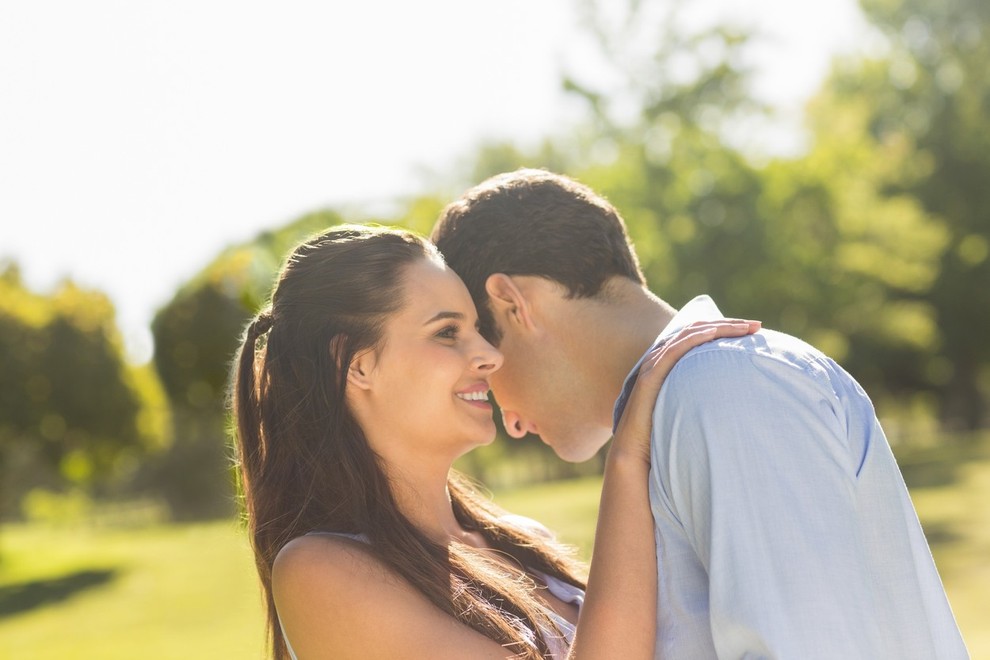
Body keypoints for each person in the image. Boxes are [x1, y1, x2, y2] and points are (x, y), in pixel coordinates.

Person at [431, 169, 970, 659]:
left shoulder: (721, 389)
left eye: (484, 349)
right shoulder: (692, 403)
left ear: (511, 303)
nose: (512, 421)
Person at [229, 223, 757, 659]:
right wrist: (626, 460)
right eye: (446, 332)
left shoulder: (522, 541)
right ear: (358, 365)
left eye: (479, 329)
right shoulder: (320, 572)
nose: (490, 355)